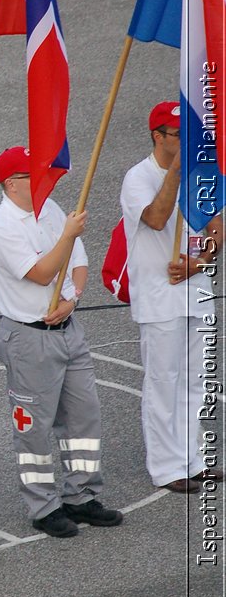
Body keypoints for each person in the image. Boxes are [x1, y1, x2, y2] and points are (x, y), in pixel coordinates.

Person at [0, 146, 122, 537]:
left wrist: (72, 298)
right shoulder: (1, 225)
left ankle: (81, 496)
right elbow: (43, 273)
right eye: (33, 174)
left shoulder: (52, 209)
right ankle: (43, 505)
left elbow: (78, 262)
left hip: (67, 328)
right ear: (12, 184)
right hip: (29, 338)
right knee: (34, 428)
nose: (44, 178)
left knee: (83, 417)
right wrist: (67, 234)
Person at [120, 101, 223, 494]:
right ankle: (166, 467)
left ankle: (193, 459)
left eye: (187, 135)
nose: (185, 141)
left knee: (197, 379)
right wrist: (176, 172)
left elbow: (216, 225)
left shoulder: (198, 172)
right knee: (164, 381)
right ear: (157, 136)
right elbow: (156, 217)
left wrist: (202, 261)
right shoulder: (138, 178)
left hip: (195, 292)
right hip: (159, 296)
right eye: (178, 135)